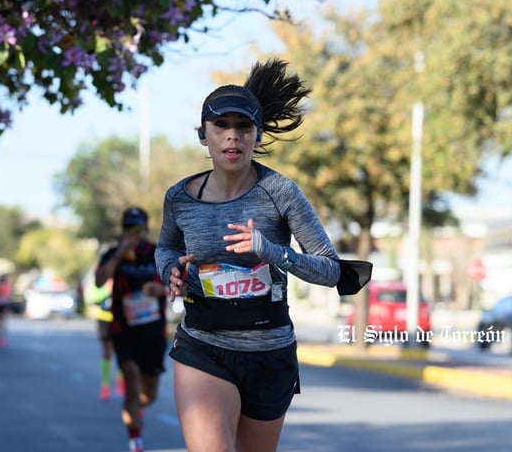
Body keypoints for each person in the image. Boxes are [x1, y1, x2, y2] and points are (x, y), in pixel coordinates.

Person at [155, 59, 346, 452]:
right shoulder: (179, 198)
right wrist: (169, 270)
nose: (232, 136)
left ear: (257, 136)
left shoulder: (280, 191)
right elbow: (166, 247)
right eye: (221, 126)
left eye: (243, 127)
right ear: (203, 136)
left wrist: (273, 252)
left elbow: (331, 270)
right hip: (203, 345)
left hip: (269, 352)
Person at [95, 207, 169, 452]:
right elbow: (99, 280)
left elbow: (176, 284)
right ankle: (135, 441)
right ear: (123, 229)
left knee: (148, 395)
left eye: (137, 227)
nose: (133, 233)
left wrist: (162, 290)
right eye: (129, 228)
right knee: (131, 378)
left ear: (146, 228)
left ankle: (136, 409)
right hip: (124, 331)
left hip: (153, 332)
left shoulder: (157, 253)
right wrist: (119, 254)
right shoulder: (114, 253)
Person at [85, 278, 125, 400]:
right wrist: (107, 289)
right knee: (107, 353)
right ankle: (105, 385)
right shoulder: (103, 274)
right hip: (104, 320)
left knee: (123, 352)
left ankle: (122, 384)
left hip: (120, 319)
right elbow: (92, 296)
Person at [0, 273, 13, 348]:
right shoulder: (7, 286)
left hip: (0, 304)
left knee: (0, 321)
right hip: (3, 304)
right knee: (3, 321)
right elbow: (9, 296)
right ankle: (2, 338)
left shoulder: (0, 286)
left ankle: (0, 337)